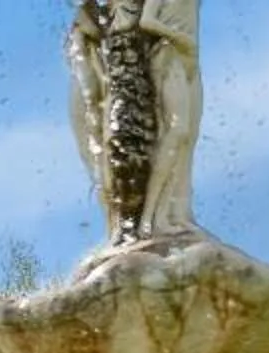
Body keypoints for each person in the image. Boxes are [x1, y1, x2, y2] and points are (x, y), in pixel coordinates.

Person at [70, 0, 203, 243]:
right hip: (139, 60)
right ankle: (137, 222)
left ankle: (161, 217)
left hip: (149, 60)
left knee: (178, 136)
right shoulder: (94, 24)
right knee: (115, 147)